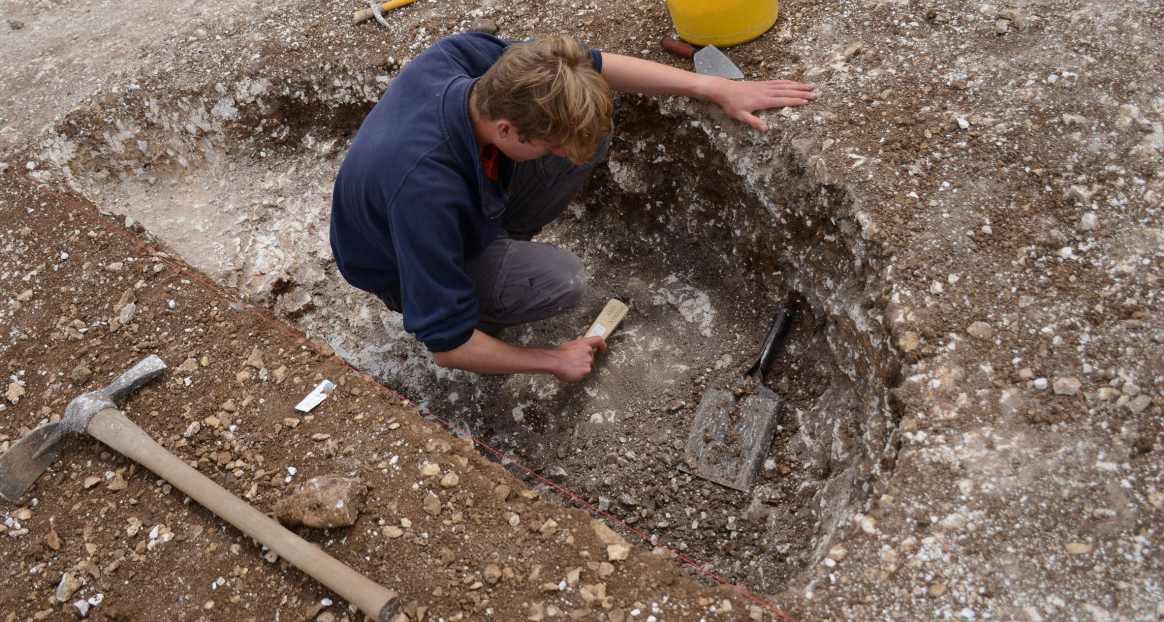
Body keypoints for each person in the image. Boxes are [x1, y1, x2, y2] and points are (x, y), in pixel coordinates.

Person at [329, 32, 814, 383]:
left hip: (458, 204)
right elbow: (447, 349)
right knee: (560, 280)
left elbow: (592, 64)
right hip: (395, 259)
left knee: (591, 132)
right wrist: (554, 359)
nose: (561, 156)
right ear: (505, 130)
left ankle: (499, 246)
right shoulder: (423, 191)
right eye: (548, 145)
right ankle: (482, 307)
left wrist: (712, 87)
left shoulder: (475, 61)